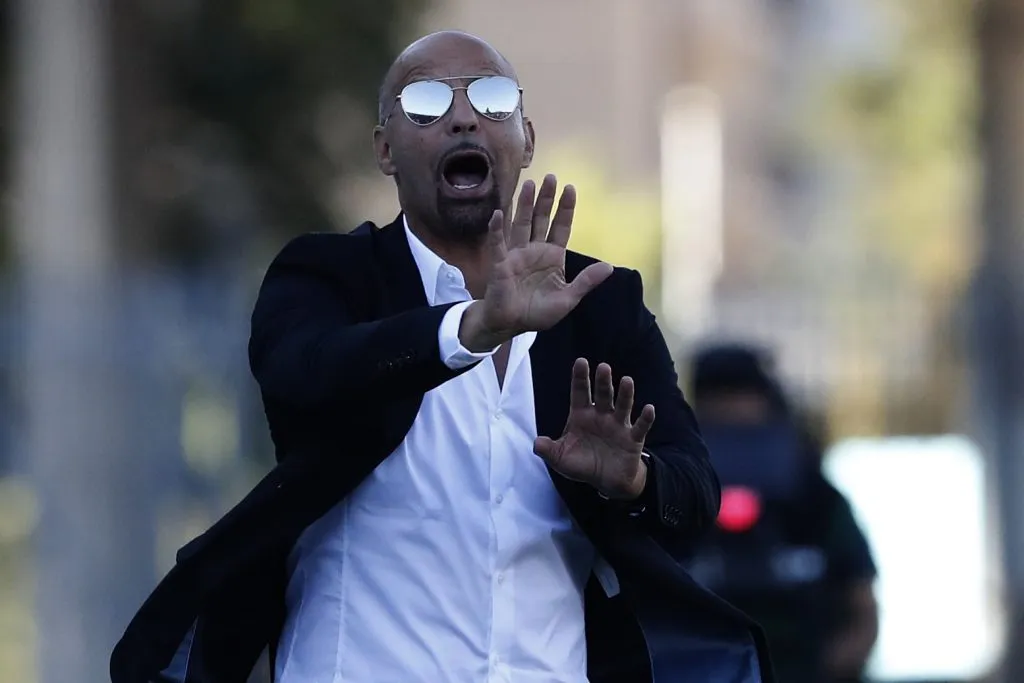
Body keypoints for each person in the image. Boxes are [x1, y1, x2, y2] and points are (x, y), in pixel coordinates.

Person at [110, 31, 772, 683]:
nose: (462, 116)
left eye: (491, 98)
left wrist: (633, 479)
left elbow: (695, 492)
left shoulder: (600, 303)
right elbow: (304, 373)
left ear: (526, 137)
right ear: (385, 149)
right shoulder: (331, 275)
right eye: (426, 101)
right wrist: (471, 327)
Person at [684, 343, 879, 683]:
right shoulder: (674, 495)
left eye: (738, 396)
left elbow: (862, 610)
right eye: (717, 401)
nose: (730, 414)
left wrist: (832, 665)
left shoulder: (815, 500)